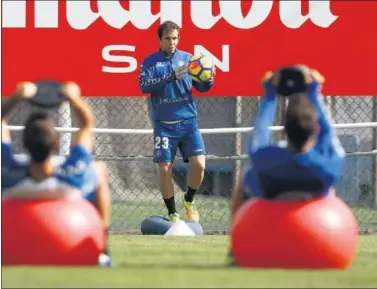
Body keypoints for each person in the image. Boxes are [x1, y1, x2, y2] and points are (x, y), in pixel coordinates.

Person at [1, 82, 112, 267]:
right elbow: (86, 124)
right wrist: (73, 97)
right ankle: (104, 246)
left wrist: (17, 97)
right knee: (99, 169)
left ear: (24, 144)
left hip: (17, 193)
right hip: (63, 195)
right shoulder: (72, 175)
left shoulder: (8, 172)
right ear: (56, 144)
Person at [231, 67, 345, 218]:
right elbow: (328, 132)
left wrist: (270, 95)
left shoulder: (264, 159)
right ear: (315, 129)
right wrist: (314, 91)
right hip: (316, 219)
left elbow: (260, 131)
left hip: (267, 216)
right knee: (330, 189)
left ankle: (236, 228)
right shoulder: (328, 162)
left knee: (246, 174)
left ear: (284, 130)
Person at [138, 20, 215, 222]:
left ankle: (189, 199)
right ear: (160, 39)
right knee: (164, 168)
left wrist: (207, 79)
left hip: (189, 123)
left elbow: (202, 88)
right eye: (167, 38)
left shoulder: (189, 59)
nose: (172, 42)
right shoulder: (150, 62)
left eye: (175, 38)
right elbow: (144, 86)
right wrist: (171, 76)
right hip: (164, 125)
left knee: (199, 165)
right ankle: (172, 213)